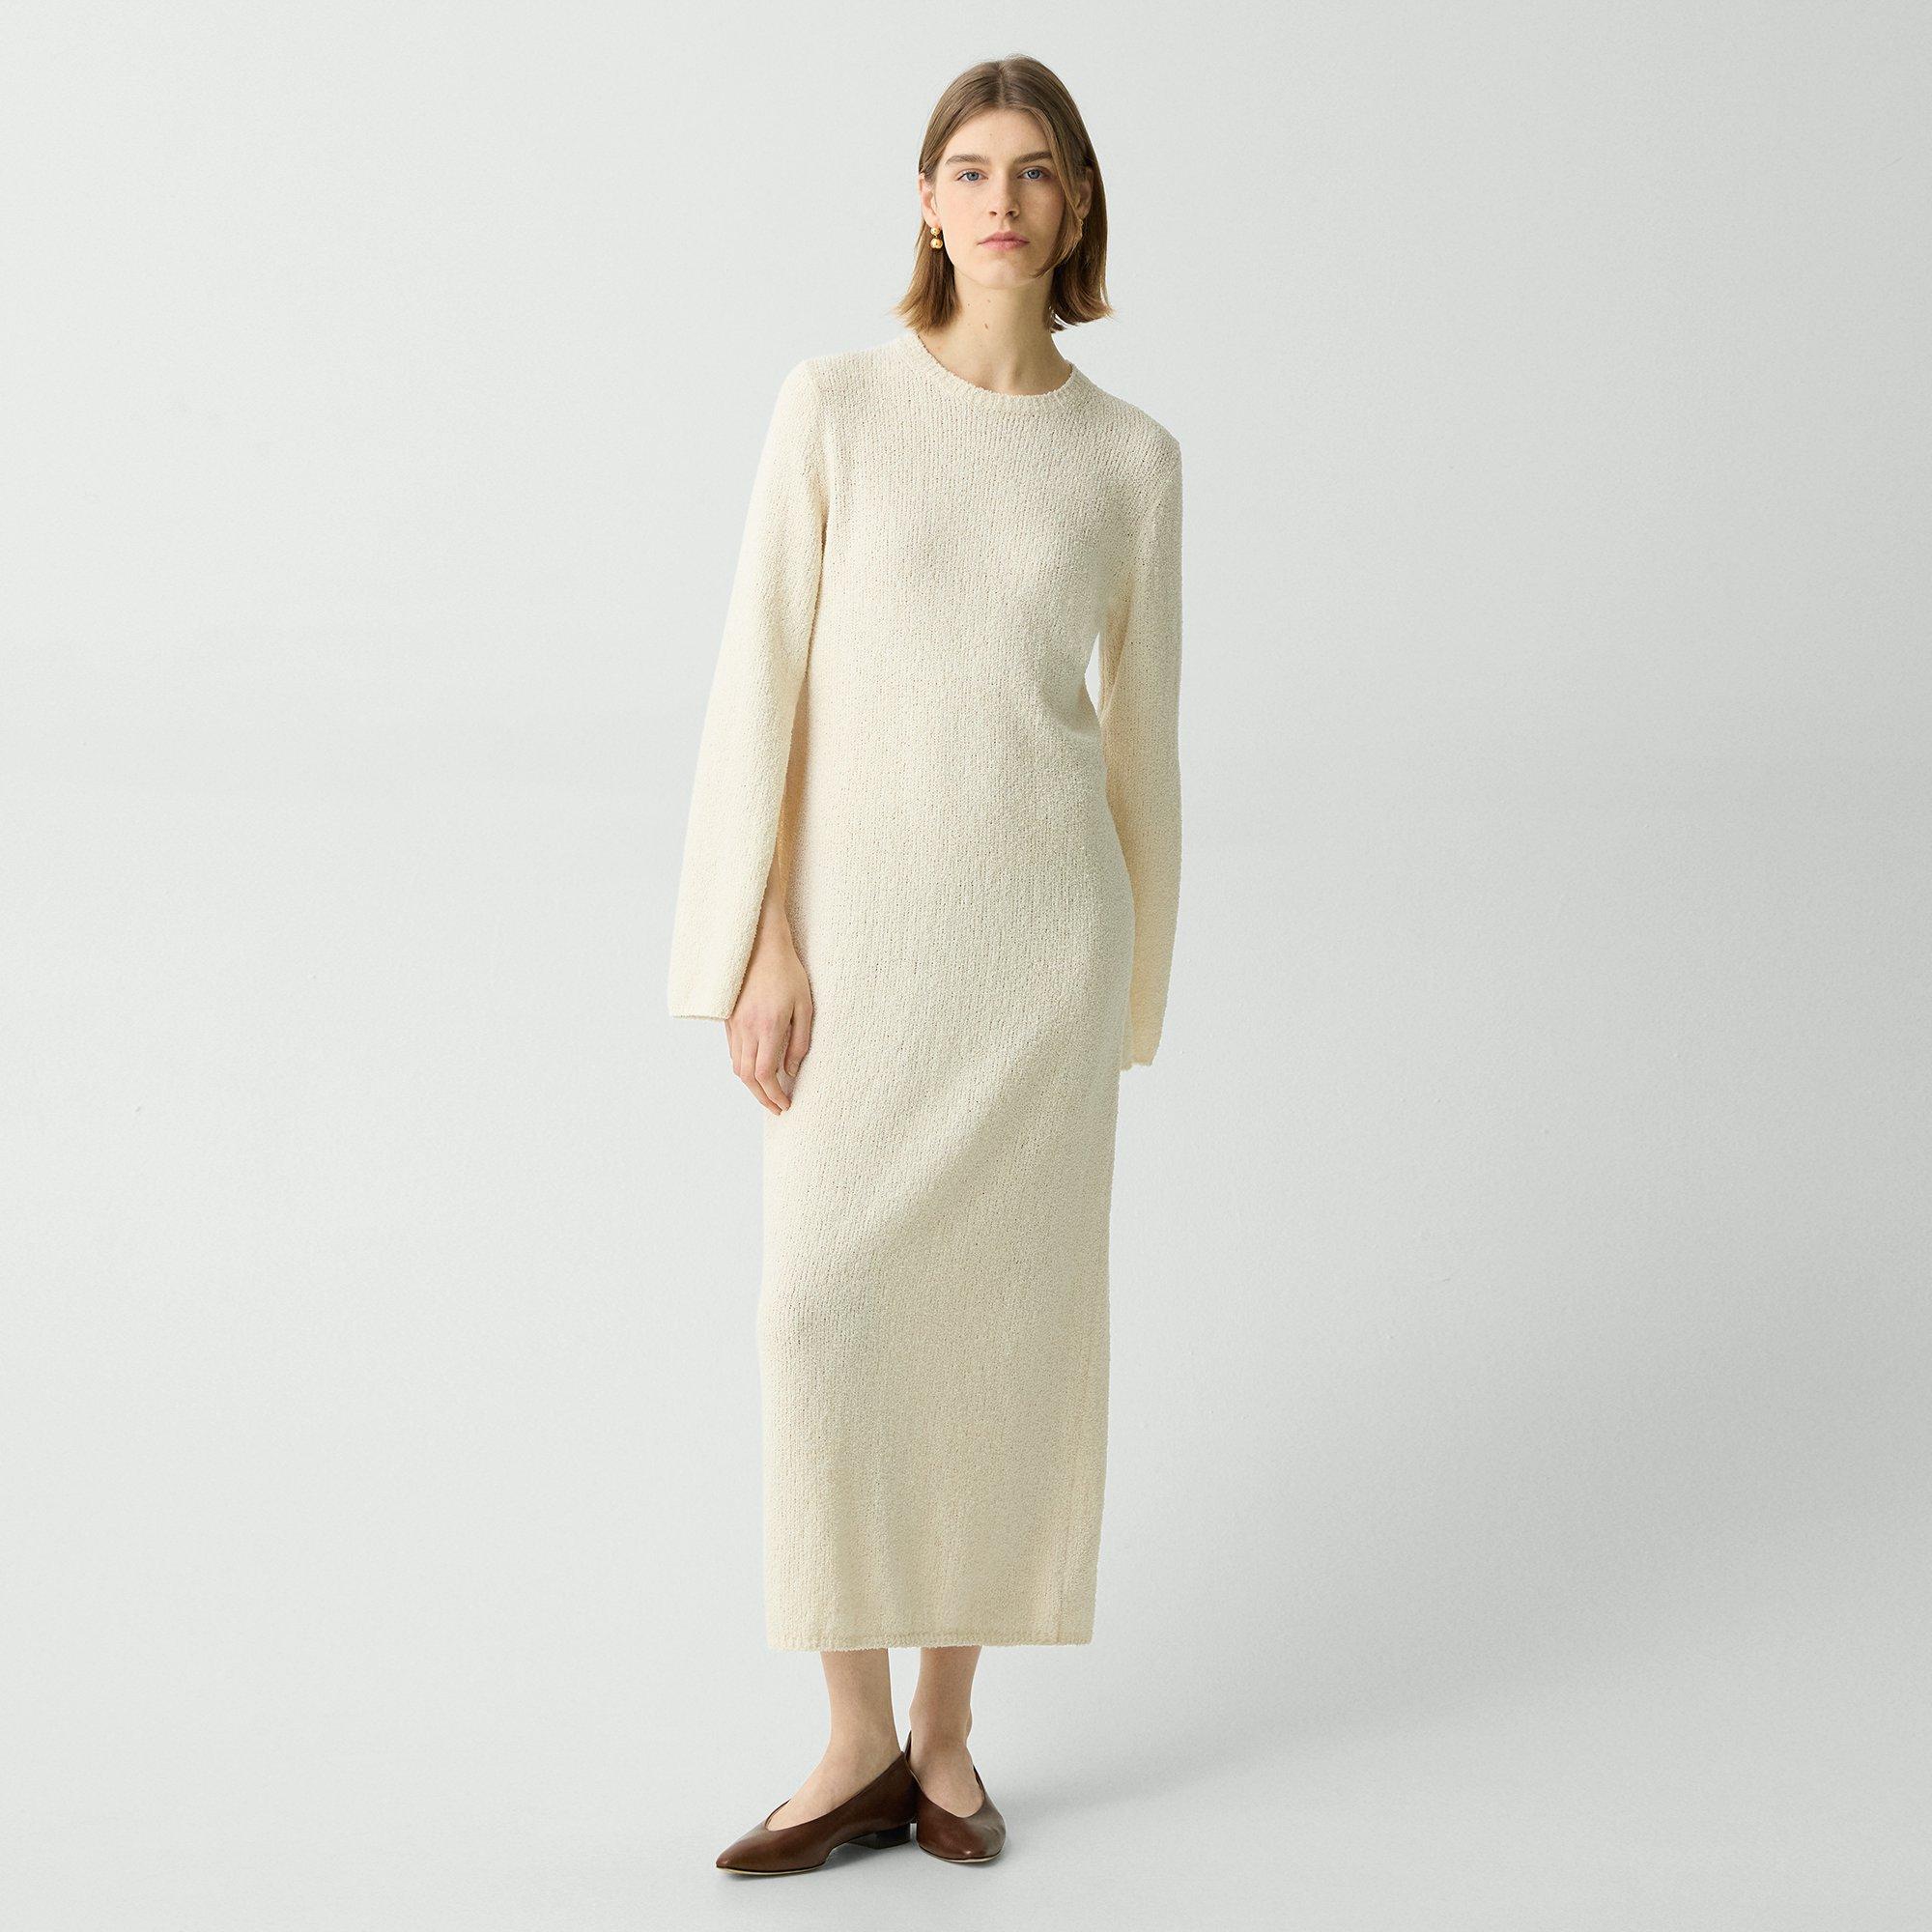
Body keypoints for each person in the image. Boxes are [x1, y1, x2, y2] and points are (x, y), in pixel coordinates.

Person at [667, 52, 1183, 1876]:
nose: (1001, 200)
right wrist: (757, 938)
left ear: (1077, 205)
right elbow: (761, 683)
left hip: (1041, 961)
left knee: (1001, 1336)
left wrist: (1130, 1000)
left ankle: (946, 1742)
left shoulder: (1129, 461)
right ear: (925, 202)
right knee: (819, 1312)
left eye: (1036, 171)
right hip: (860, 952)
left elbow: (1144, 752)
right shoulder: (834, 409)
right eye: (970, 168)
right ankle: (850, 1738)